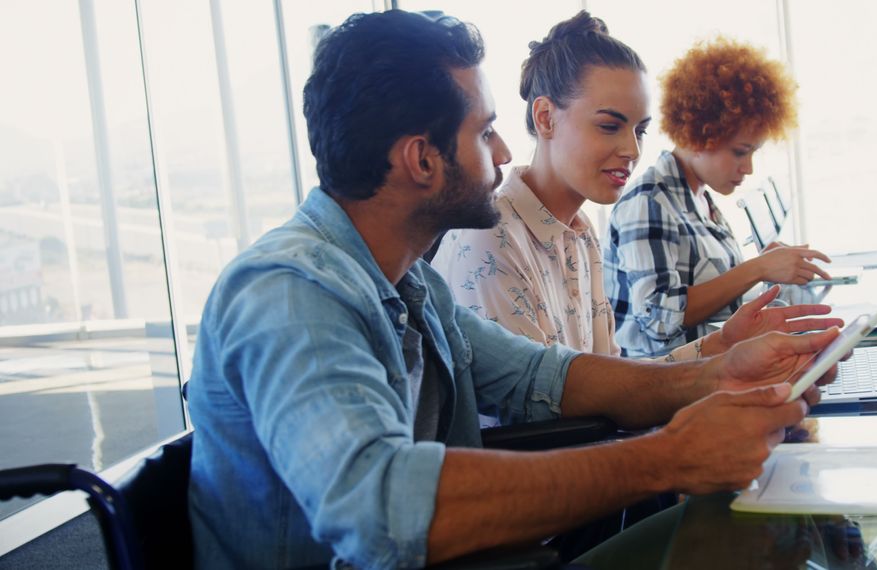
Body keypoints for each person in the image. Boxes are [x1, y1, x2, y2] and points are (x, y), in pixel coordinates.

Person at [185, 11, 840, 569]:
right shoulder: (292, 292)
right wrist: (668, 458)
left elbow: (545, 376)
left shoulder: (408, 284)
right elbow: (376, 510)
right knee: (753, 532)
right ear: (422, 158)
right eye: (484, 131)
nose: (503, 153)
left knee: (761, 524)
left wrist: (717, 375)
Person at [431, 13, 841, 364]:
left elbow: (612, 378)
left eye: (640, 130)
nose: (631, 149)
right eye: (609, 125)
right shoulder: (490, 239)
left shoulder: (579, 231)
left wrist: (726, 341)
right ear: (546, 118)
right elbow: (541, 417)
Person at [605, 37, 833, 359]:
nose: (749, 168)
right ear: (698, 134)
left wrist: (763, 266)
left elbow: (714, 298)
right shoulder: (650, 202)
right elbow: (659, 320)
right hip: (666, 393)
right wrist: (755, 269)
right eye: (740, 152)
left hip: (712, 373)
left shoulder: (700, 197)